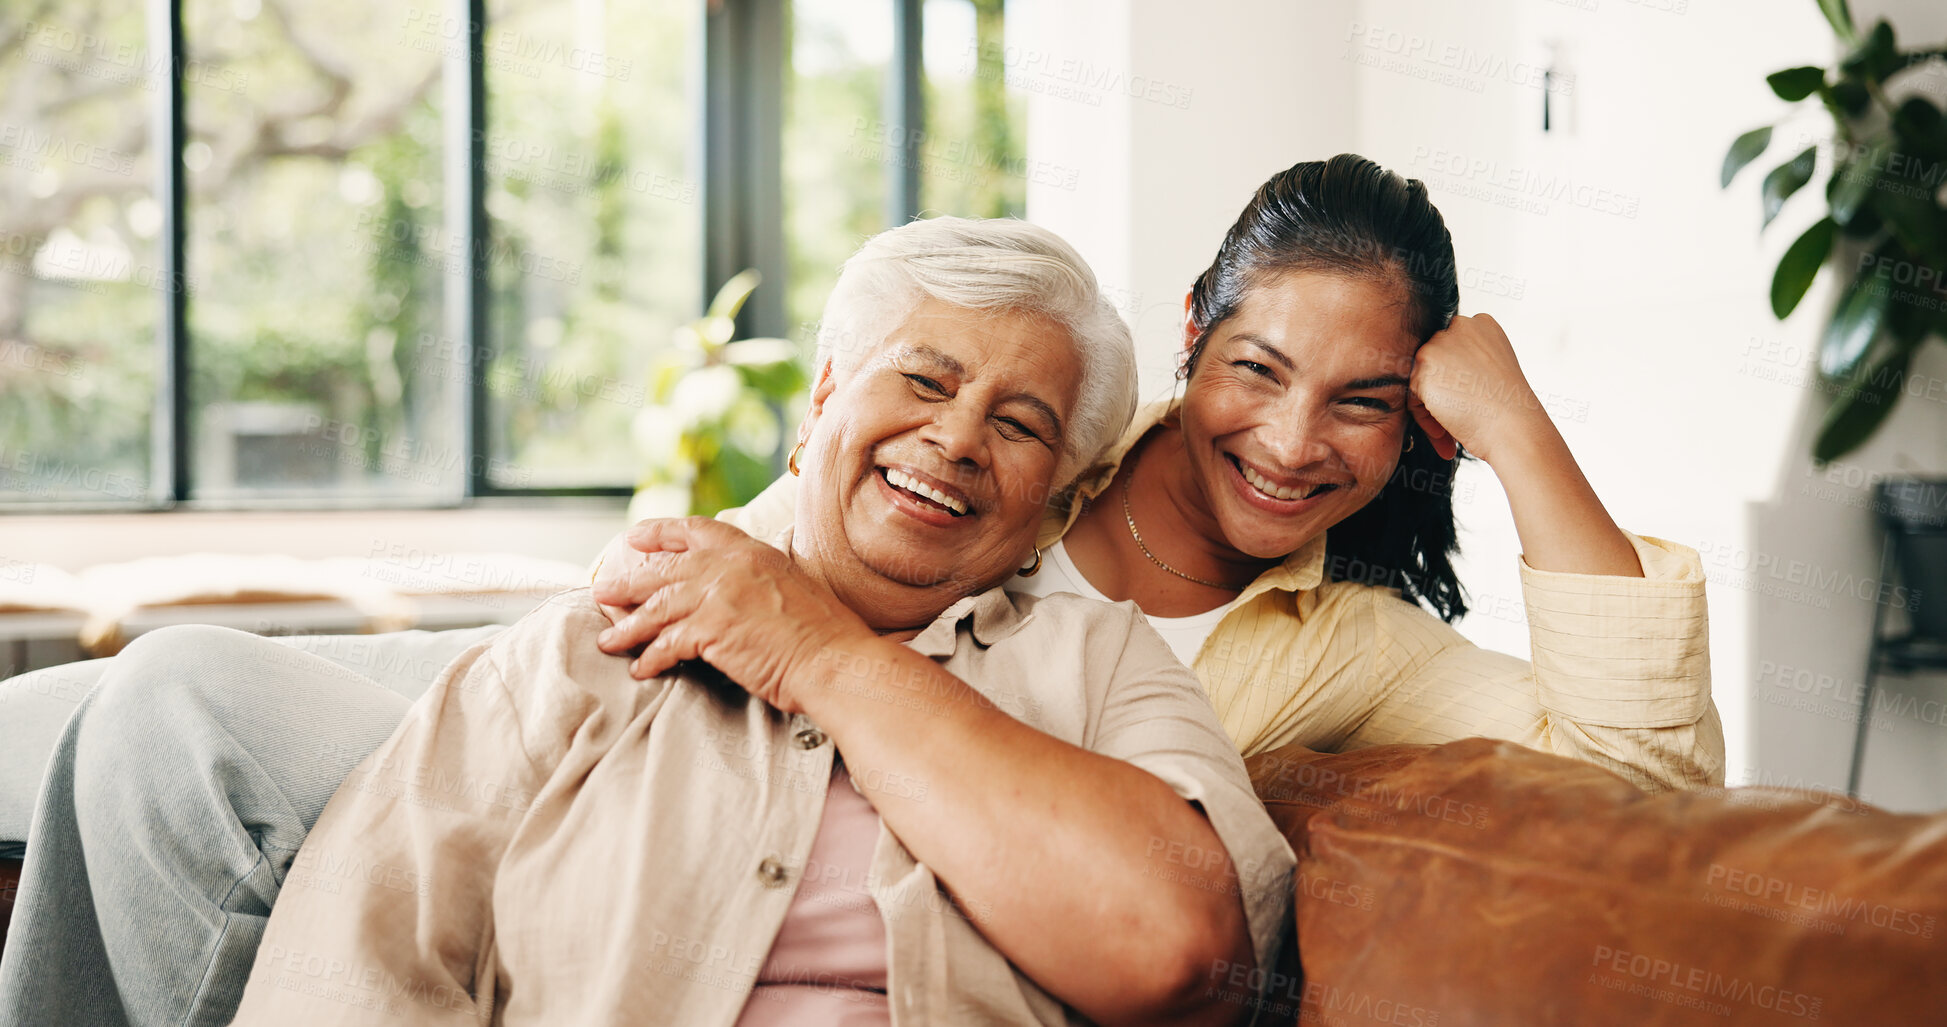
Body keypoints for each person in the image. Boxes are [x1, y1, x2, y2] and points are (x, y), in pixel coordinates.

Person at [1, 218, 1293, 1026]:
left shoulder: (1094, 664)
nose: (954, 437)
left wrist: (818, 650)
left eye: (1015, 424)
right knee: (142, 710)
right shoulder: (609, 633)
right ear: (819, 405)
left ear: (1052, 501)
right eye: (923, 378)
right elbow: (369, 944)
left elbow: (1174, 945)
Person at [598, 154, 1721, 793]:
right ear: (1194, 327)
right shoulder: (1021, 451)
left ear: (1419, 421)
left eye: (1361, 403)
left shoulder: (1351, 651)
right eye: (1258, 370)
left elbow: (1646, 778)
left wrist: (1518, 428)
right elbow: (767, 559)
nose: (1290, 442)